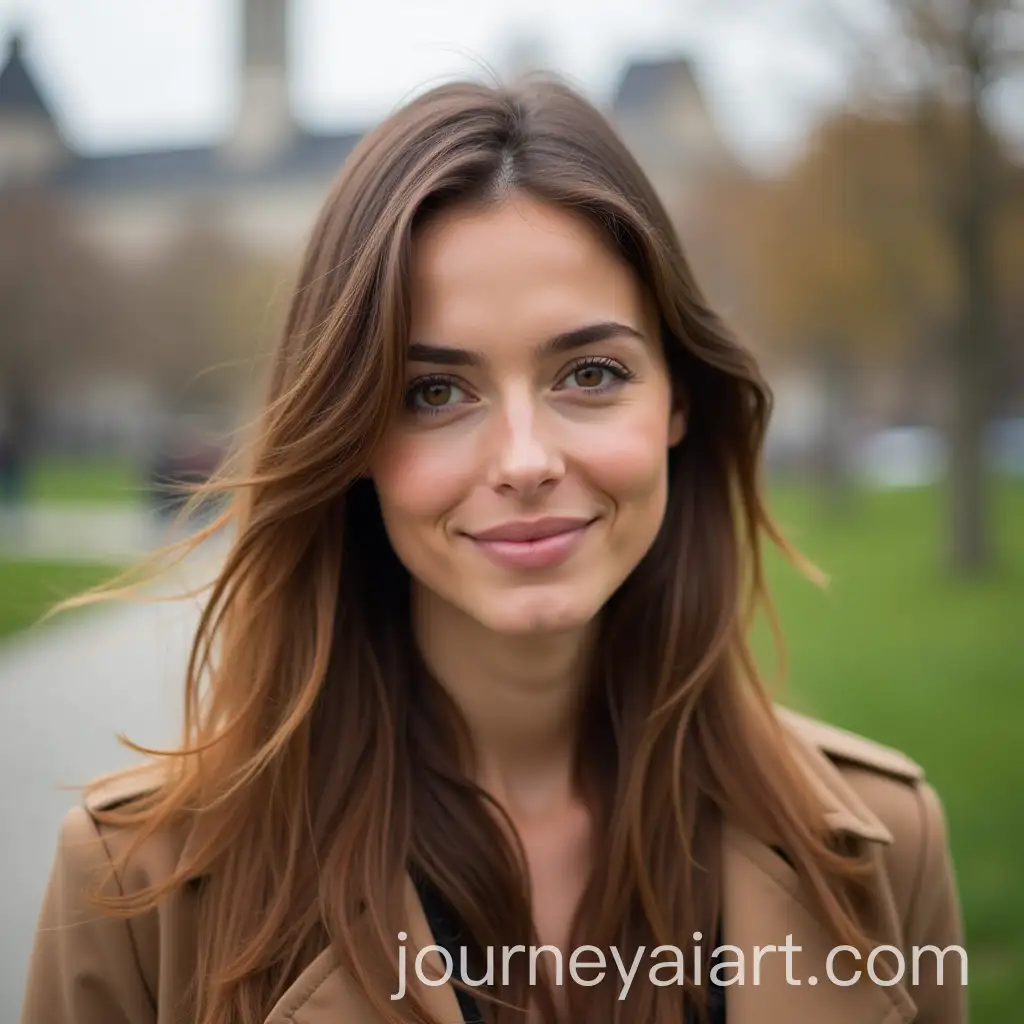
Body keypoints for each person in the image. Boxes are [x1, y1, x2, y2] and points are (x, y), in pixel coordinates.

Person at [20, 76, 965, 1024]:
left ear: (679, 398)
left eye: (591, 374)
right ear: (352, 439)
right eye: (435, 393)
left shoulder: (885, 842)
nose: (523, 461)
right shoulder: (134, 887)